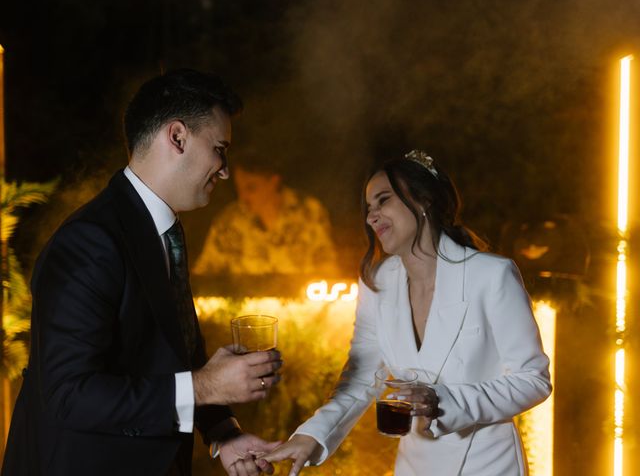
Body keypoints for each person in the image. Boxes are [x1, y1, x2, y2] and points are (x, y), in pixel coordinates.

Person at [2, 69, 283, 476]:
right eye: (220, 149)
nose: (225, 170)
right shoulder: (89, 241)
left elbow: (175, 347)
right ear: (177, 137)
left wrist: (222, 432)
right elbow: (68, 395)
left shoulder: (162, 226)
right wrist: (205, 386)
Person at [263, 150, 552, 475]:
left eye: (383, 201)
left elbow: (533, 379)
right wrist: (312, 435)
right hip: (414, 465)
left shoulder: (491, 275)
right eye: (368, 209)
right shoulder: (378, 282)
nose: (372, 217)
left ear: (423, 200)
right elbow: (361, 378)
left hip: (487, 464)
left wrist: (444, 401)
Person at [193, 155, 338, 276]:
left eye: (251, 188)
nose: (243, 197)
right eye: (240, 189)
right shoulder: (228, 222)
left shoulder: (309, 212)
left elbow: (326, 266)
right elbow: (204, 274)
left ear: (273, 182)